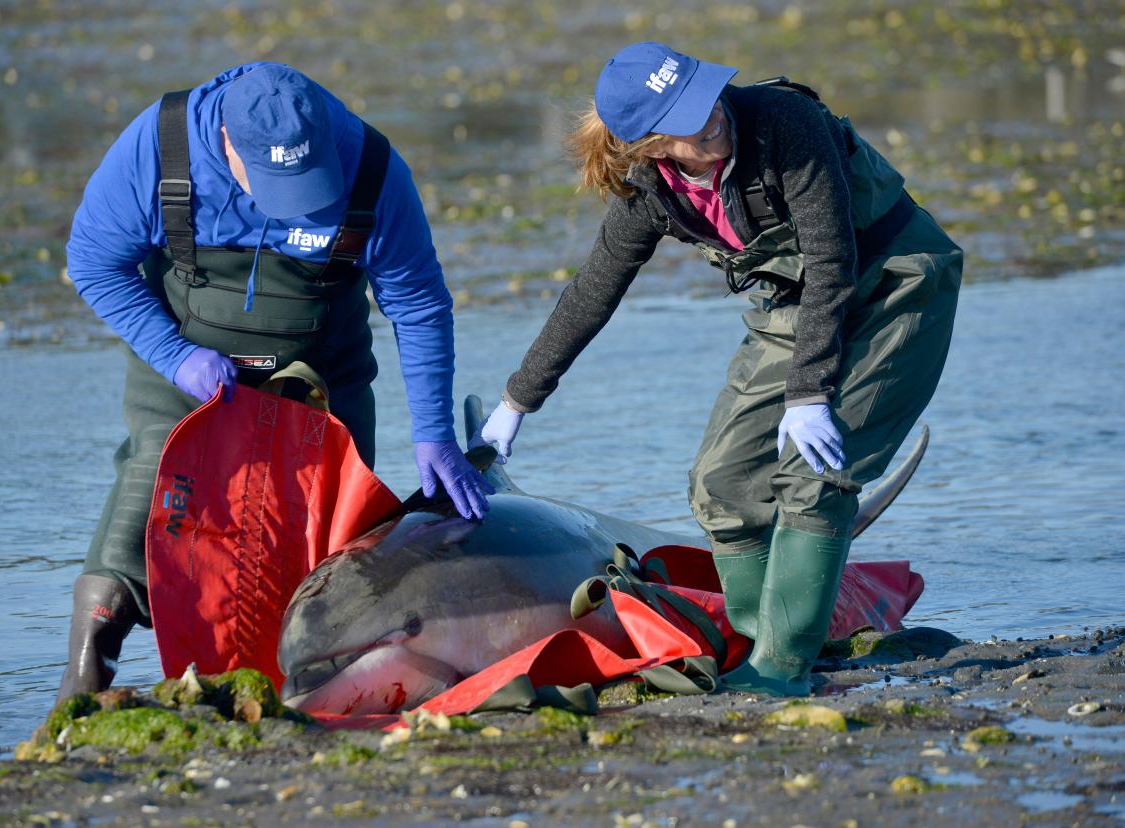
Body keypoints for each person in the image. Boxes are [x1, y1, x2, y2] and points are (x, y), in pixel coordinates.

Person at [470, 42, 961, 696]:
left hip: (896, 287)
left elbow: (833, 262)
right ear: (652, 147)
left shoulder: (787, 123)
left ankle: (783, 668)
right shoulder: (650, 194)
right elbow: (590, 294)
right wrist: (516, 402)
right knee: (721, 481)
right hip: (795, 308)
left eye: (708, 100)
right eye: (690, 120)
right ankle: (766, 643)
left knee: (816, 471)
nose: (714, 119)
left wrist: (808, 396)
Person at [57, 62, 493, 702]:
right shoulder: (159, 148)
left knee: (329, 555)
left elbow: (418, 304)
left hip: (323, 376)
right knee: (150, 519)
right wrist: (174, 355)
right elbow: (94, 264)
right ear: (230, 144)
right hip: (187, 370)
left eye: (308, 183)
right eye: (274, 183)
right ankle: (81, 684)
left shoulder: (371, 166)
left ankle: (312, 696)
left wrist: (433, 432)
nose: (297, 199)